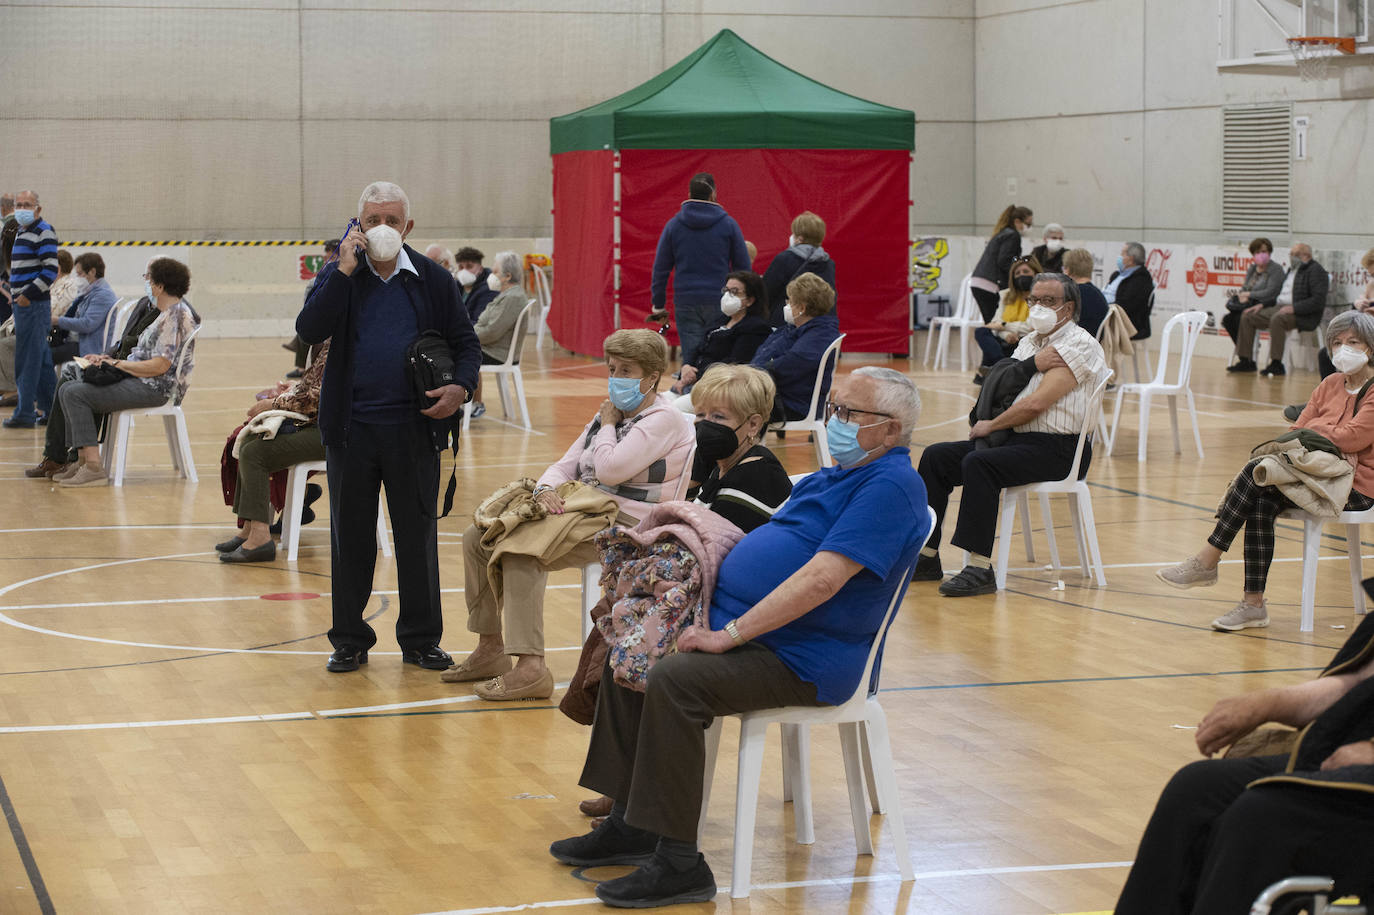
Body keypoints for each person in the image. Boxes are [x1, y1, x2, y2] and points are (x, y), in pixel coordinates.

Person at [547, 367, 930, 909]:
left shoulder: (890, 487)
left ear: (890, 431)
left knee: (676, 678)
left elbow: (822, 580)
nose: (834, 422)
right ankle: (632, 822)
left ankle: (680, 862)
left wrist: (727, 634)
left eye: (849, 414)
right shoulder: (834, 476)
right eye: (834, 409)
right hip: (758, 635)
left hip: (802, 655)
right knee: (629, 642)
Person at [572, 362, 799, 823]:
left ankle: (632, 797)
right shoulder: (719, 468)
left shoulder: (757, 474)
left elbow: (719, 557)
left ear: (753, 424)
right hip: (702, 597)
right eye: (702, 416)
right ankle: (622, 788)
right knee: (622, 633)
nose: (705, 427)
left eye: (719, 418)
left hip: (734, 611)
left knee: (636, 645)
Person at [446, 329, 694, 700]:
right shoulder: (607, 415)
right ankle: (490, 647)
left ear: (653, 376)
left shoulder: (664, 420)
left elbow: (610, 469)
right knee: (476, 537)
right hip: (585, 509)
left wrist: (608, 423)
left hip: (629, 525)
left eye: (627, 370)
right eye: (612, 368)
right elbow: (564, 466)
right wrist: (545, 491)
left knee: (521, 551)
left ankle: (531, 668)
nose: (616, 378)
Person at [295, 180, 481, 674]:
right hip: (351, 431)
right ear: (357, 225)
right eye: (372, 220)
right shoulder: (341, 276)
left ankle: (421, 640)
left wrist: (460, 387)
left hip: (414, 430)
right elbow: (308, 330)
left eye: (391, 221)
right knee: (350, 540)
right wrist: (342, 270)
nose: (382, 229)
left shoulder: (433, 281)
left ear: (408, 227)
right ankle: (350, 640)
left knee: (416, 538)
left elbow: (467, 345)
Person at [1113, 607, 1374, 915]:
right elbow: (1355, 681)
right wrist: (1263, 705)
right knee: (1196, 787)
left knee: (1263, 812)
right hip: (1349, 760)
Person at [1157, 310, 1374, 631]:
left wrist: (1312, 430)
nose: (1344, 349)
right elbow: (1298, 429)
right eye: (1337, 342)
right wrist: (1313, 431)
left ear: (1370, 347)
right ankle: (1252, 605)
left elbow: (1353, 437)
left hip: (1355, 487)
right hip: (1315, 473)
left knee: (1259, 470)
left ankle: (1210, 559)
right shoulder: (1330, 383)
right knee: (1261, 493)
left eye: (1353, 342)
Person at [915, 273, 1107, 597]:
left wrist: (991, 426)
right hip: (1017, 441)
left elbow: (1036, 403)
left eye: (1049, 301)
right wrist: (1033, 363)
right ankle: (926, 556)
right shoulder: (1032, 341)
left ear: (1068, 307)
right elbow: (1002, 383)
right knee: (936, 457)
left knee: (980, 463)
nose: (1038, 307)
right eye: (1034, 300)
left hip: (1059, 449)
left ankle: (979, 568)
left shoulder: (1078, 344)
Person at [50, 257, 197, 488]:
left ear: (159, 286)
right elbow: (144, 355)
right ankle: (81, 461)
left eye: (149, 279)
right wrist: (110, 360)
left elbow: (160, 366)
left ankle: (93, 468)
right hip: (142, 380)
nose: (147, 284)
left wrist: (118, 366)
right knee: (70, 386)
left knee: (75, 393)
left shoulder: (176, 316)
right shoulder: (167, 313)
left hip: (154, 388)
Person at [25, 264, 165, 479]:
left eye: (148, 277)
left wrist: (114, 363)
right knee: (71, 374)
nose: (145, 281)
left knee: (80, 386)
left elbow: (149, 358)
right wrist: (106, 356)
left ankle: (73, 458)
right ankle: (63, 455)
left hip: (135, 373)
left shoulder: (170, 314)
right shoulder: (144, 304)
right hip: (119, 362)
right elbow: (123, 341)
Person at [215, 341, 331, 563]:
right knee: (248, 438)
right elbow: (313, 387)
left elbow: (318, 398)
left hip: (335, 432)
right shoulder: (329, 339)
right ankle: (249, 527)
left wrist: (274, 403)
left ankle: (260, 536)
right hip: (321, 424)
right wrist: (290, 389)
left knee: (256, 453)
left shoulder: (340, 340)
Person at [649, 172, 750, 365]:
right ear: (713, 194)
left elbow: (660, 268)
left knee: (691, 358)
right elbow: (743, 266)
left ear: (688, 195)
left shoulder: (674, 226)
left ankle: (690, 392)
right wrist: (743, 299)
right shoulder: (728, 224)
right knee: (718, 355)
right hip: (720, 299)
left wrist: (658, 303)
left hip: (686, 300)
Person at [667, 270, 771, 412]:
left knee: (671, 412)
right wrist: (686, 366)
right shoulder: (721, 320)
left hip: (719, 390)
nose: (728, 296)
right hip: (693, 383)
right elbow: (698, 348)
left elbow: (734, 363)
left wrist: (695, 377)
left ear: (750, 300)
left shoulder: (755, 328)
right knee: (653, 406)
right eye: (726, 290)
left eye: (734, 292)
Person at [750, 273, 841, 421]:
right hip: (780, 396)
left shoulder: (820, 335)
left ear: (802, 308)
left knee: (732, 405)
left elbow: (787, 367)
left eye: (790, 301)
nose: (786, 305)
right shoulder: (794, 329)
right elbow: (764, 354)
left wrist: (751, 375)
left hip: (794, 404)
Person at [1232, 242, 1330, 377]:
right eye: (1291, 254)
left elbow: (1317, 301)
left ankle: (1276, 363)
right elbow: (1279, 295)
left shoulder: (1316, 271)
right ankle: (1246, 361)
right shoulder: (1292, 270)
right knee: (1248, 316)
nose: (1291, 257)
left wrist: (1294, 308)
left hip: (1303, 314)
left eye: (1295, 255)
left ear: (1307, 256)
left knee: (1277, 319)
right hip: (1280, 307)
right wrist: (1263, 305)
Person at [5, 190, 59, 428]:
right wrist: (14, 289)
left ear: (38, 209)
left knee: (27, 360)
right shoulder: (21, 231)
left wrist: (27, 294)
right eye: (19, 204)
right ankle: (52, 410)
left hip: (34, 305)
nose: (22, 208)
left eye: (27, 204)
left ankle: (25, 412)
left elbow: (50, 270)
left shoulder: (43, 231)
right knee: (42, 360)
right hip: (22, 303)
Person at [468, 251, 527, 418]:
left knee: (458, 353)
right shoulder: (507, 295)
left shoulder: (513, 298)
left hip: (497, 352)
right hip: (491, 347)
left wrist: (466, 336)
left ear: (507, 276)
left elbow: (492, 331)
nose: (491, 275)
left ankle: (467, 405)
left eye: (495, 272)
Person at [972, 255, 1040, 383]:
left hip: (1026, 341)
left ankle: (994, 370)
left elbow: (1031, 327)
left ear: (1036, 273)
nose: (1021, 276)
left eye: (1026, 272)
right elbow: (995, 322)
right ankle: (1003, 367)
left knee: (992, 348)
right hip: (1006, 339)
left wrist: (1004, 325)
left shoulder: (1041, 297)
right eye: (1017, 273)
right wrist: (1006, 334)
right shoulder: (1005, 295)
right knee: (982, 331)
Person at [761, 211, 835, 327]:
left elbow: (765, 293)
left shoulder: (785, 259)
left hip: (784, 323)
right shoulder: (828, 263)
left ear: (799, 238)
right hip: (818, 324)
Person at [1220, 237, 1284, 357]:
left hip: (1265, 304)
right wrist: (1241, 296)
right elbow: (1245, 287)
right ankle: (1246, 350)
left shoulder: (1276, 269)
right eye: (1257, 252)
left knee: (1241, 318)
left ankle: (1246, 356)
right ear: (1253, 254)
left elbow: (1271, 292)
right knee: (1228, 320)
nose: (1261, 255)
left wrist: (1249, 294)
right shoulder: (1252, 269)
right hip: (1248, 303)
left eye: (1264, 252)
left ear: (1269, 252)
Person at [285, 239, 340, 378]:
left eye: (331, 257)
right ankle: (303, 367)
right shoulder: (324, 273)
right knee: (306, 330)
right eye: (327, 258)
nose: (328, 260)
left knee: (305, 335)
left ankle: (300, 367)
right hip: (322, 318)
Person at [969, 205, 1032, 322]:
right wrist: (1018, 270)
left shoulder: (1003, 233)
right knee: (995, 324)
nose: (1029, 228)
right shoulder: (1013, 235)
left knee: (992, 322)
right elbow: (1005, 260)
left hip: (980, 282)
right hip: (991, 284)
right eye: (1028, 224)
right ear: (1017, 221)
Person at [51, 252, 116, 360]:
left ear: (92, 272)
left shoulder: (103, 294)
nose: (77, 278)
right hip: (76, 340)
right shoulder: (89, 292)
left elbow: (86, 325)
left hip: (86, 346)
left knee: (44, 355)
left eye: (80, 274)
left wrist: (57, 320)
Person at [1105, 241, 1154, 343]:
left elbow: (1126, 306)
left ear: (1131, 259)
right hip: (1108, 314)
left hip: (1126, 323)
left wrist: (1103, 308)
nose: (1120, 257)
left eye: (1122, 254)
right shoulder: (1117, 275)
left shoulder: (1141, 280)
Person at [1062, 247, 1108, 337]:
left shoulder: (1072, 295)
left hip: (1078, 344)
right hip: (1093, 344)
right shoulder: (1097, 293)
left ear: (1067, 270)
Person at [455, 246, 497, 323]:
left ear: (480, 269)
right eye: (461, 267)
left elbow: (478, 322)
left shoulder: (489, 289)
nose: (464, 271)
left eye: (469, 266)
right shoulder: (454, 287)